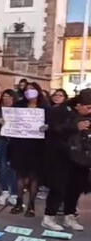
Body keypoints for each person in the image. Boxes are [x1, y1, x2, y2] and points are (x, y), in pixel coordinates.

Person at [41, 89, 91, 231]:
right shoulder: (62, 111)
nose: (89, 111)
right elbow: (54, 129)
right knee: (59, 187)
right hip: (61, 155)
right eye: (87, 108)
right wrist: (75, 127)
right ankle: (49, 216)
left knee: (75, 187)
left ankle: (70, 216)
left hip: (81, 157)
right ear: (78, 105)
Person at [8, 82, 49, 216]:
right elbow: (10, 121)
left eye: (32, 89)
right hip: (20, 144)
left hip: (37, 146)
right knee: (20, 174)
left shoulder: (45, 107)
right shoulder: (18, 105)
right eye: (27, 89)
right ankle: (19, 203)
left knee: (34, 176)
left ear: (38, 91)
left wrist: (47, 127)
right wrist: (4, 122)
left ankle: (31, 205)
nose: (29, 91)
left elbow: (52, 124)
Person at [0, 89, 19, 206]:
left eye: (9, 97)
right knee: (3, 165)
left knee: (13, 166)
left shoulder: (18, 110)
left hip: (15, 141)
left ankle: (14, 193)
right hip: (1, 139)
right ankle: (5, 190)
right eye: (5, 97)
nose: (7, 99)